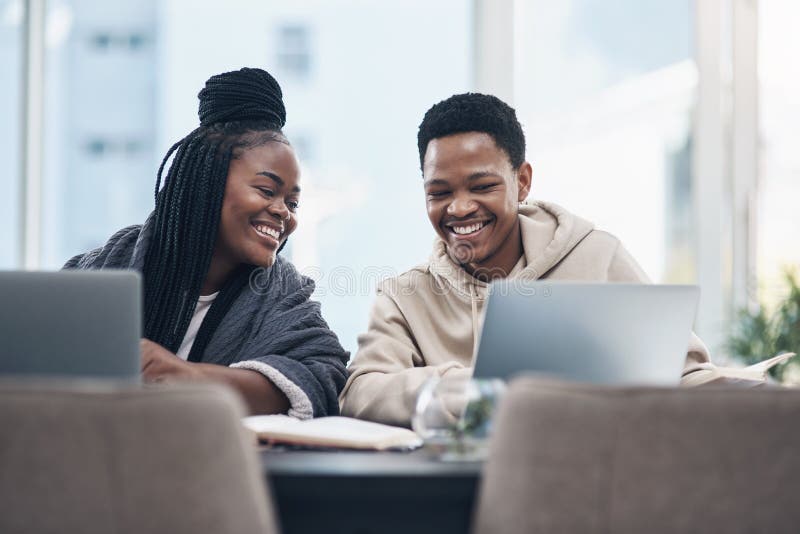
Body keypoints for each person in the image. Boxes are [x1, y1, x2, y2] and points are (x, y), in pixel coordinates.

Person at [340, 92, 713, 426]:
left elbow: (686, 372)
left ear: (523, 182)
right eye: (439, 193)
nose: (460, 207)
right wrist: (476, 388)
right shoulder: (404, 295)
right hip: (458, 489)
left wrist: (748, 392)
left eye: (483, 187)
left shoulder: (598, 256)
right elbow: (360, 391)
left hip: (592, 476)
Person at [66, 67, 348, 418]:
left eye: (292, 203)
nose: (283, 213)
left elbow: (323, 373)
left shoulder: (284, 295)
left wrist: (189, 378)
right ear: (208, 182)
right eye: (266, 190)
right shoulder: (107, 268)